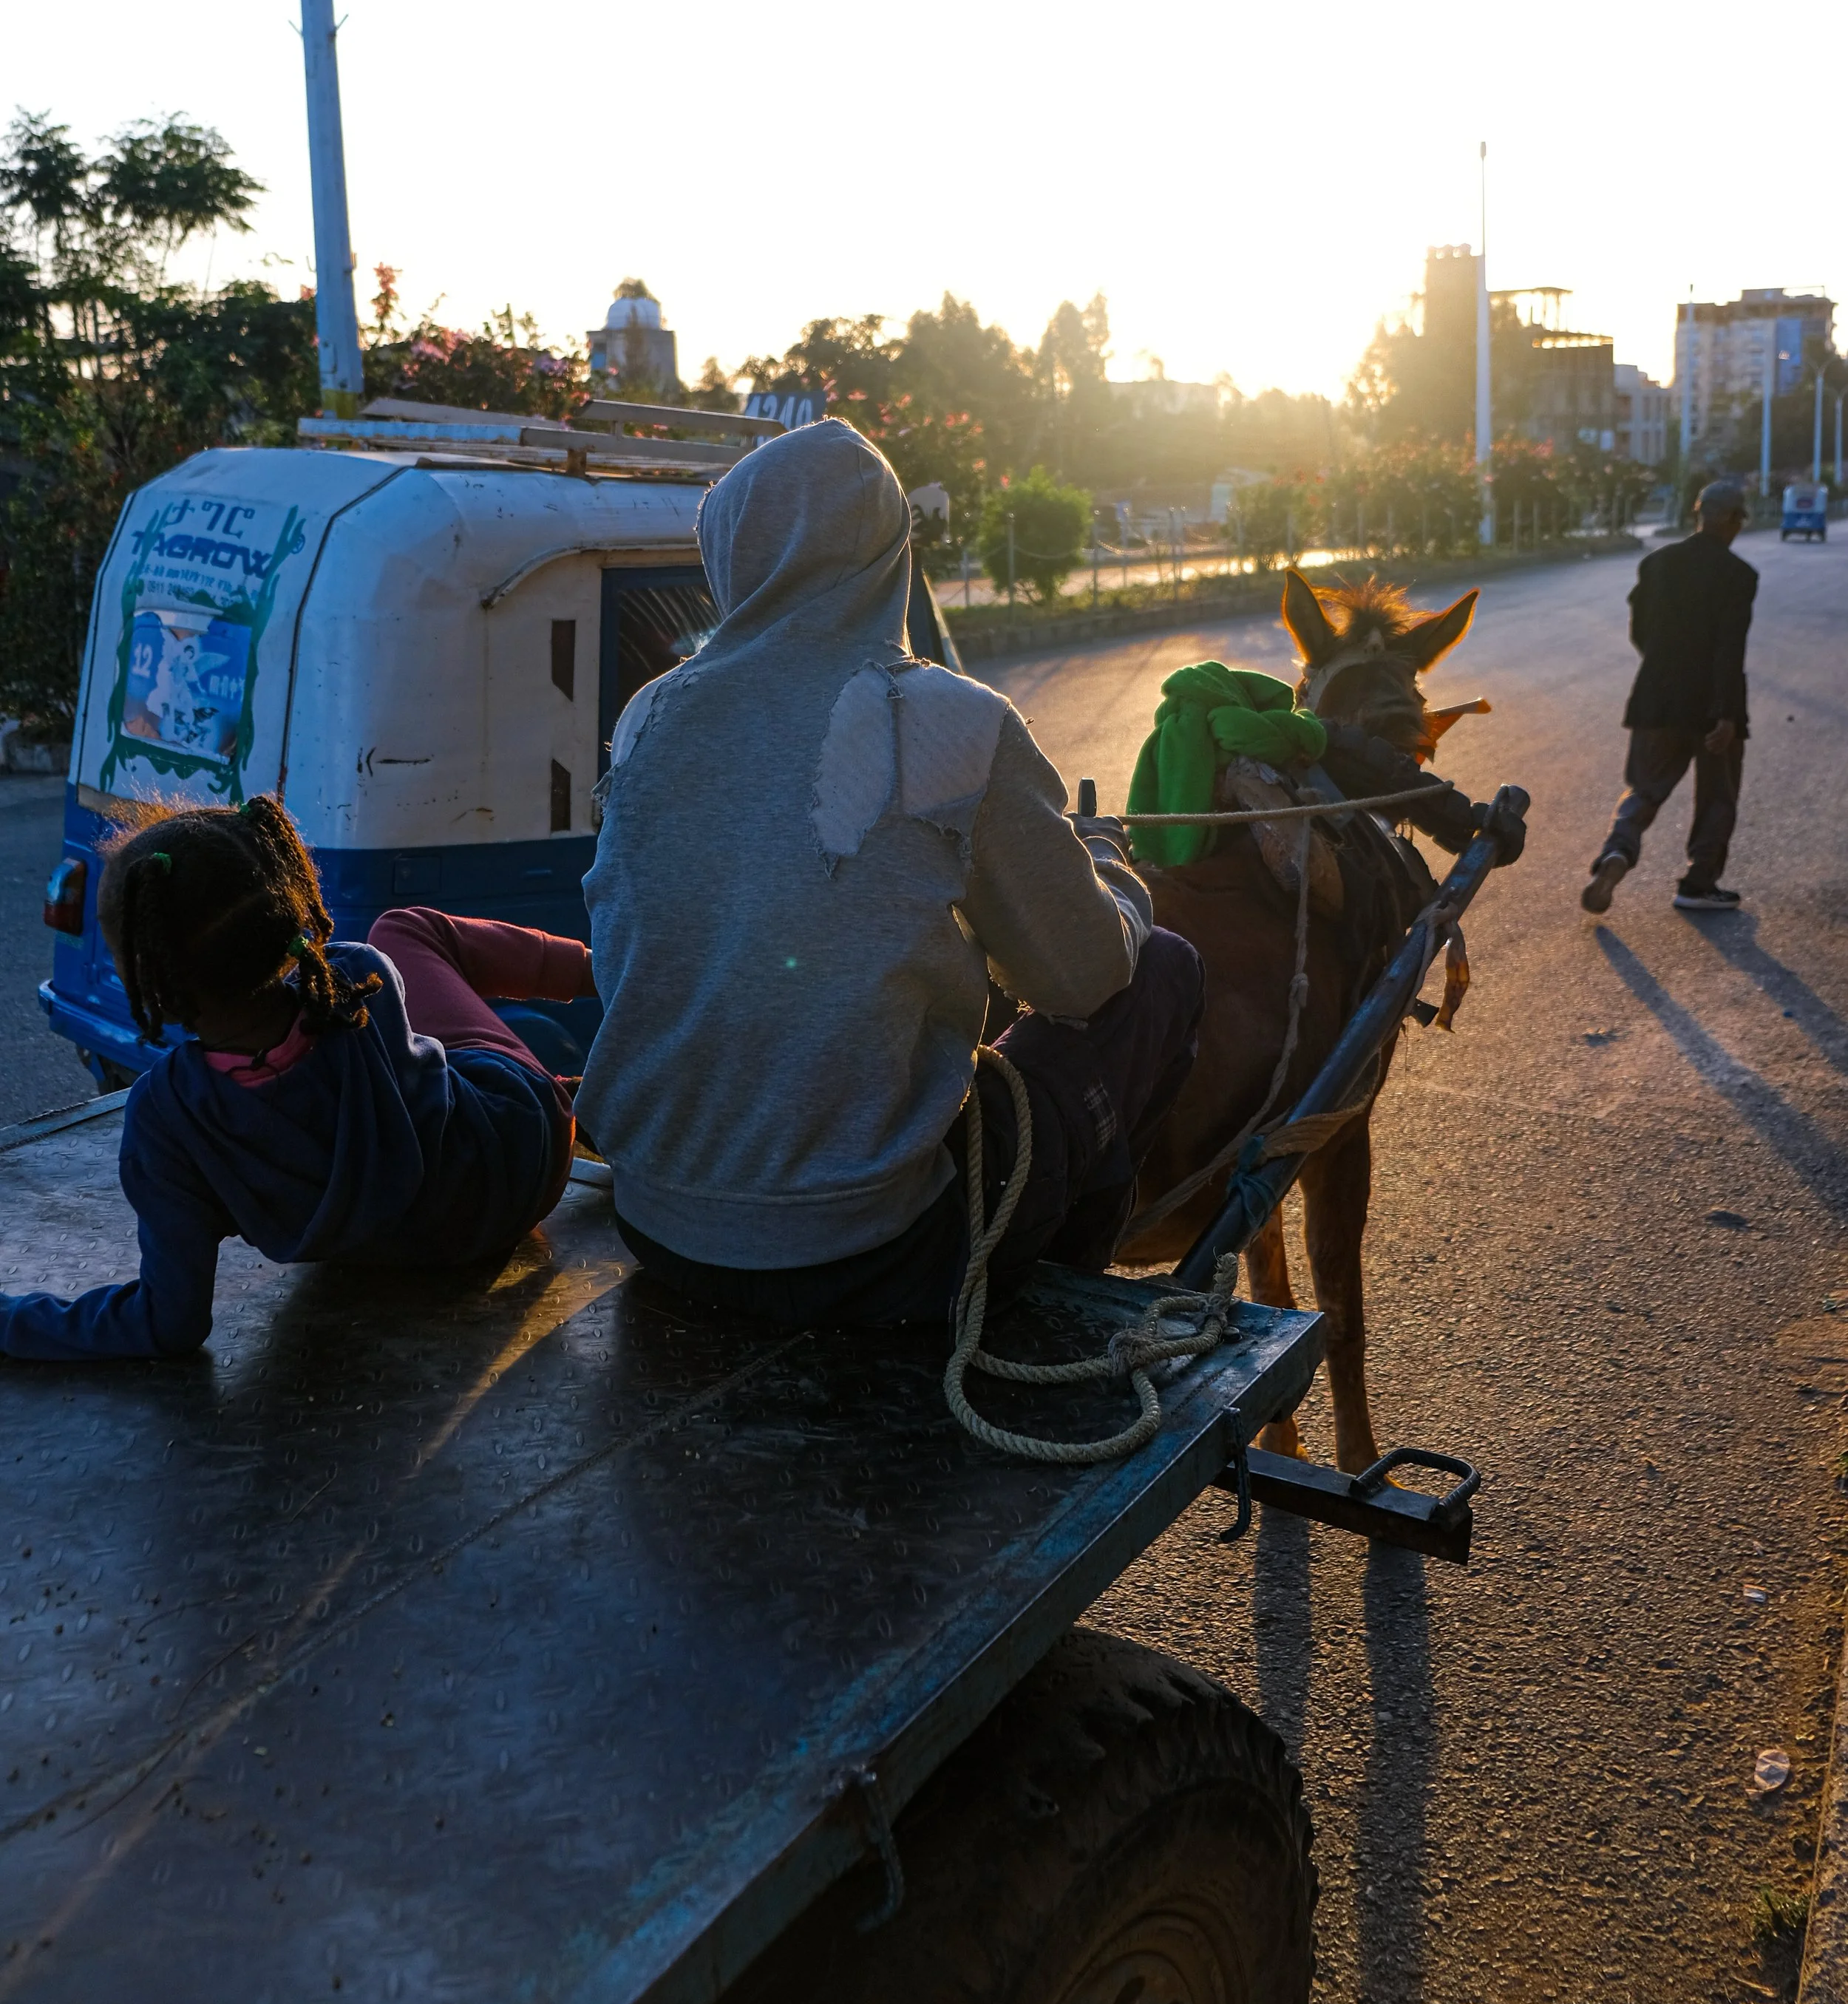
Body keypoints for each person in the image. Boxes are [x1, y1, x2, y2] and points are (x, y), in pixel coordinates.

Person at [574, 417, 1203, 1327]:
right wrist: (1109, 866)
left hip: (657, 1225)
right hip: (870, 1252)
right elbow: (1081, 979)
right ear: (888, 553)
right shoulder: (947, 716)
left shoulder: (647, 716)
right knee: (1166, 969)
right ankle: (1053, 1290)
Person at [0, 797, 593, 1358]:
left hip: (406, 1253)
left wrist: (11, 1322)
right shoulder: (357, 979)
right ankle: (609, 975)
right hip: (529, 1159)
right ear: (289, 907)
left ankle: (582, 1087)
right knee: (405, 930)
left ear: (147, 980)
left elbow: (167, 1322)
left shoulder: (169, 1118)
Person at [1582, 478, 1758, 917]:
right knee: (1717, 797)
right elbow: (1729, 648)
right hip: (1713, 708)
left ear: (1699, 514)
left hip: (1657, 699)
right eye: (1738, 521)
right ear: (1731, 520)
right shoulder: (1738, 575)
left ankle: (1617, 852)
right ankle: (1699, 885)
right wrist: (1725, 714)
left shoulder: (1657, 563)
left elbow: (1640, 631)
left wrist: (1664, 666)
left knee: (1644, 789)